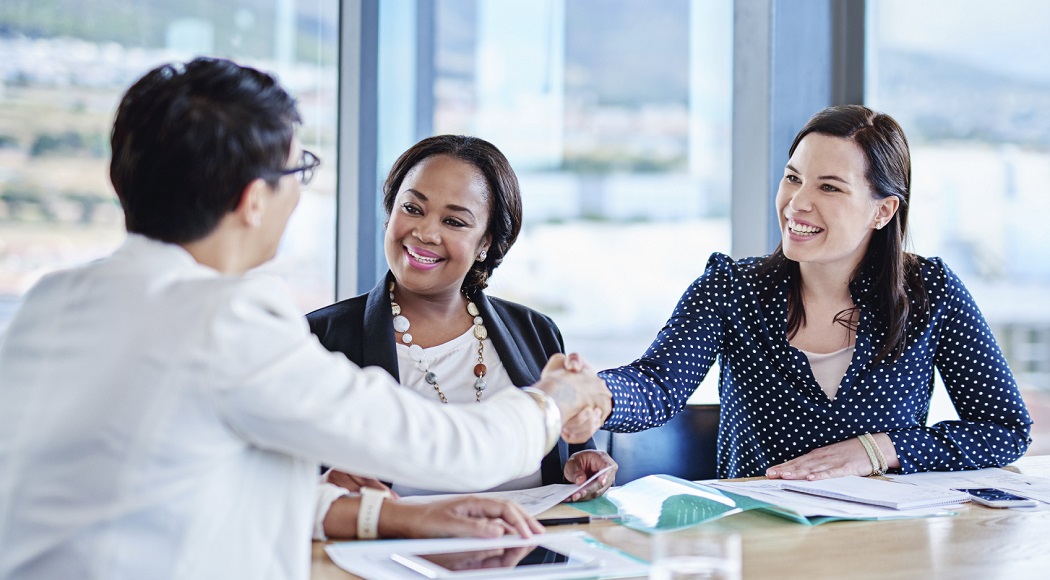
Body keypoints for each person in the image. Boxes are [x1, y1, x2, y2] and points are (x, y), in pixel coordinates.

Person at [0, 58, 611, 580]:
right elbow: (453, 447)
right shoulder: (226, 319)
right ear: (254, 199)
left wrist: (394, 516)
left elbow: (204, 478)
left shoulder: (53, 300)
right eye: (298, 171)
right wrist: (555, 398)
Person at [590, 104, 1032, 480]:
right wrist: (593, 393)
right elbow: (655, 386)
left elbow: (1006, 430)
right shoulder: (730, 288)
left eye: (829, 187)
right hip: (760, 542)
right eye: (792, 178)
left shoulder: (928, 291)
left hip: (886, 543)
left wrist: (877, 449)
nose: (797, 202)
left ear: (882, 210)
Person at [307, 135, 616, 501]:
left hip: (523, 553)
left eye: (454, 221)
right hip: (382, 555)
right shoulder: (318, 339)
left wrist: (579, 462)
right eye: (412, 208)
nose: (424, 233)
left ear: (486, 242)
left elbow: (566, 446)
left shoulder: (535, 331)